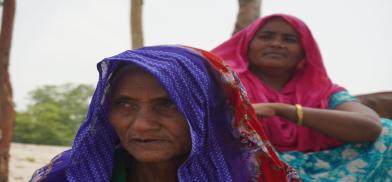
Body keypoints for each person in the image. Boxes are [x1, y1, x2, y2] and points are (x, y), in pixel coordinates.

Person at [29, 45, 300, 182]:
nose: (143, 125)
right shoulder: (71, 175)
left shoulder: (252, 176)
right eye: (125, 104)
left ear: (207, 114)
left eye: (168, 104)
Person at [212, 13, 392, 181]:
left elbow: (371, 126)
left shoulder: (324, 91)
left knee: (387, 131)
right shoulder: (225, 82)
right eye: (266, 36)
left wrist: (279, 109)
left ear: (304, 51)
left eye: (289, 39)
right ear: (247, 44)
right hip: (252, 167)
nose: (277, 44)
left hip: (326, 168)